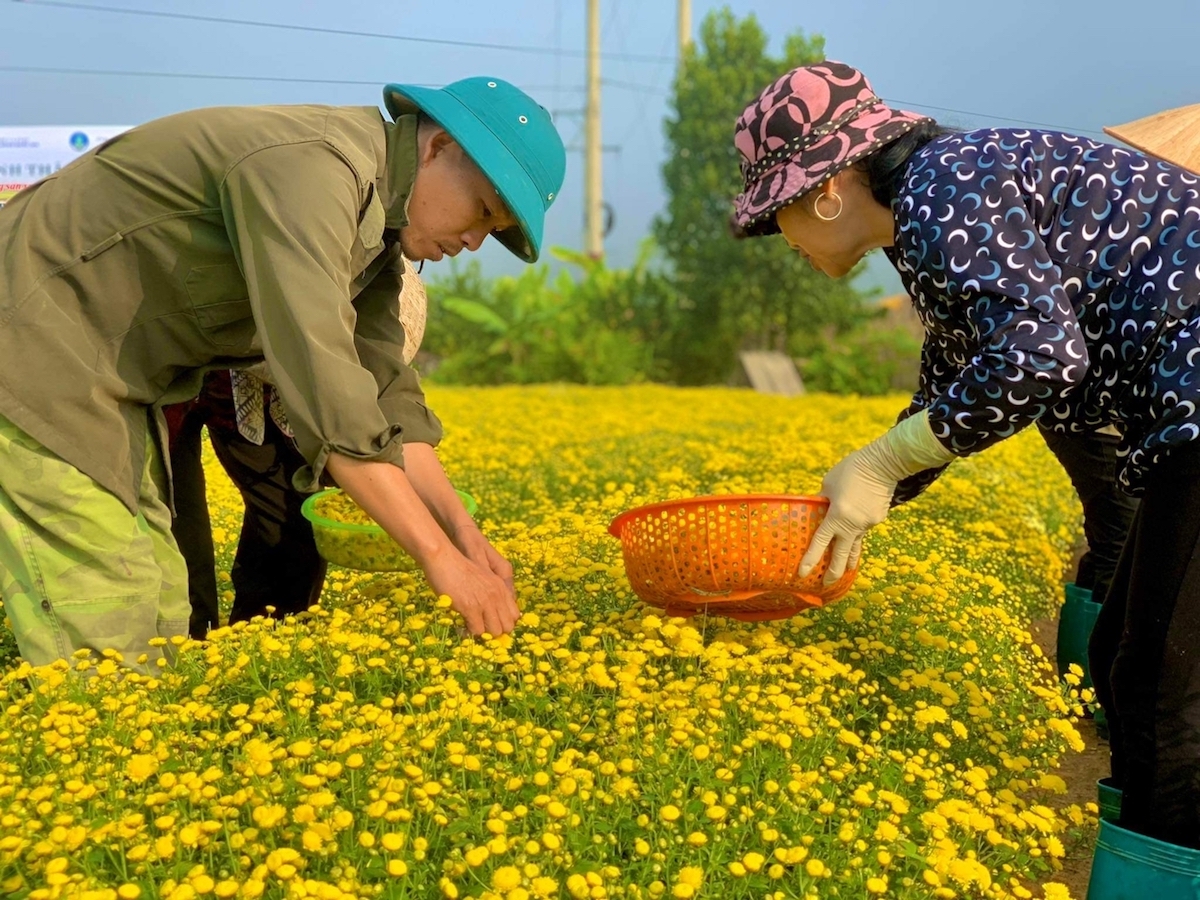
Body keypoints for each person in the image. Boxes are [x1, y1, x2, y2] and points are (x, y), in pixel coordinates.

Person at [731, 62, 1200, 849]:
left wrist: (880, 465)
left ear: (825, 191)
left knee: (1161, 692)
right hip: (1182, 415)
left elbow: (1040, 357)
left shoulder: (941, 192)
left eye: (777, 218)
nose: (786, 243)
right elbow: (955, 383)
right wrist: (846, 503)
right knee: (1128, 657)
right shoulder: (934, 204)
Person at [0, 76, 565, 671]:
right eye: (482, 211)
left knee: (160, 603)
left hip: (105, 379)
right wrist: (439, 562)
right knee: (108, 617)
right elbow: (325, 394)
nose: (475, 242)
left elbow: (387, 398)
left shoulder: (377, 229)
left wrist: (464, 536)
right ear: (438, 147)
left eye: (493, 232)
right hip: (33, 345)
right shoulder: (312, 172)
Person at [165, 257, 430, 639]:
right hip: (173, 350)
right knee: (171, 509)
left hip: (263, 380)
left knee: (291, 519)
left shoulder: (357, 310)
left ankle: (263, 642)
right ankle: (186, 643)